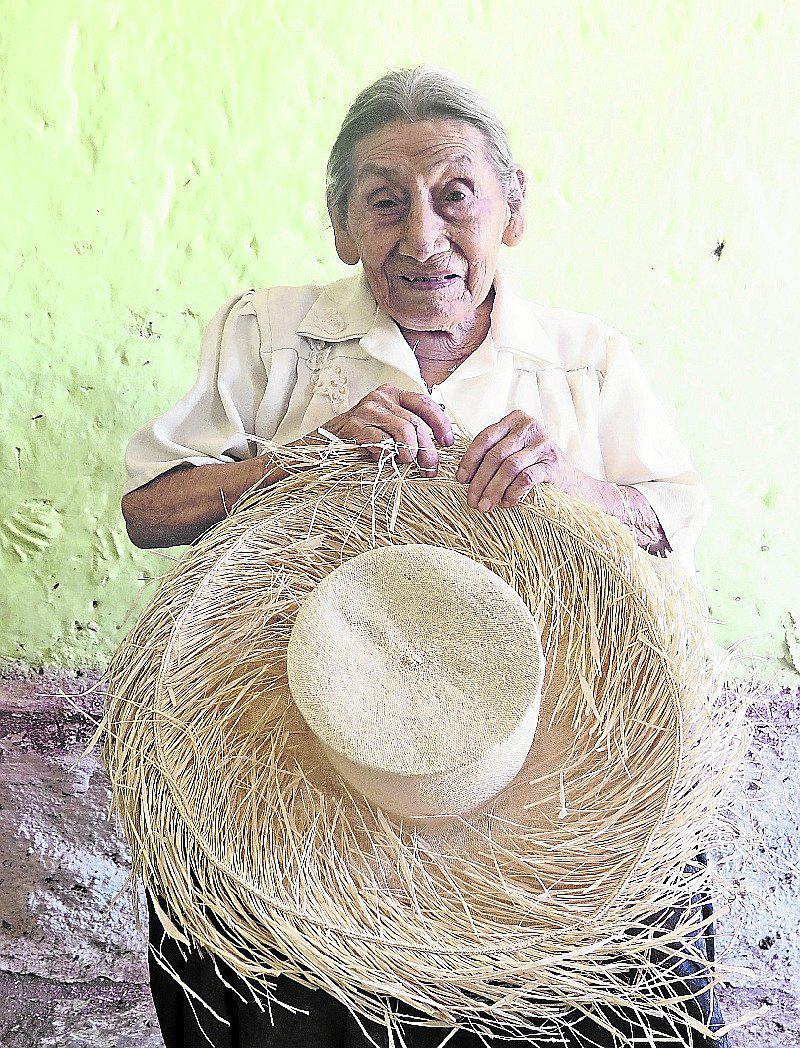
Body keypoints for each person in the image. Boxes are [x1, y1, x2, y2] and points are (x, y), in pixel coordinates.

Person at [122, 66, 725, 1048]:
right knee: (222, 920)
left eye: (454, 197)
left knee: (651, 920)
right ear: (339, 225)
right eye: (382, 203)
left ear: (511, 210)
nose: (420, 237)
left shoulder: (583, 358)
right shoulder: (272, 336)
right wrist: (299, 458)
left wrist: (571, 486)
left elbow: (672, 521)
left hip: (533, 767)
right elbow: (149, 510)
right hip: (312, 760)